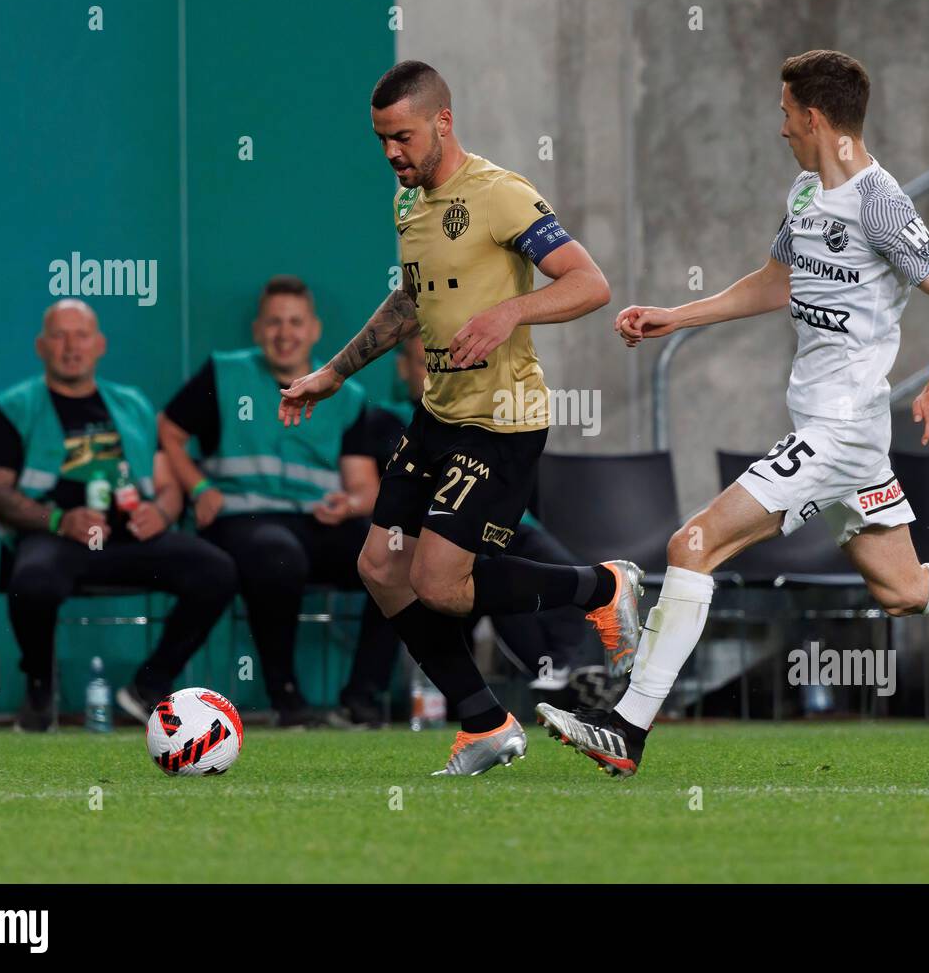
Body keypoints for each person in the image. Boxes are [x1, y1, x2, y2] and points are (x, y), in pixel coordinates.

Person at [536, 49, 929, 776]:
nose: (782, 127)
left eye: (786, 113)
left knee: (691, 544)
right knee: (904, 589)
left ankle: (627, 727)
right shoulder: (805, 193)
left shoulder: (879, 201)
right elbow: (774, 281)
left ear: (816, 117)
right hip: (835, 432)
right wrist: (678, 315)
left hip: (840, 430)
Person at [278, 60, 640, 774]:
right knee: (381, 567)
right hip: (439, 416)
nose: (391, 153)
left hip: (502, 420)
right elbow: (411, 302)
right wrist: (332, 373)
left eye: (403, 136)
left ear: (442, 121)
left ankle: (604, 586)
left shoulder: (502, 195)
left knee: (441, 583)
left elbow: (589, 283)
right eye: (381, 139)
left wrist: (511, 309)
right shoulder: (406, 203)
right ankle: (482, 722)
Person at [0, 299, 236, 731]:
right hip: (57, 537)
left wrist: (162, 511)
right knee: (32, 581)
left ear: (100, 345)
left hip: (129, 538)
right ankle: (41, 689)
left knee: (218, 570)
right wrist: (58, 520)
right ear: (41, 346)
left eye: (81, 335)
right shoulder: (14, 407)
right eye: (59, 336)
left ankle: (146, 689)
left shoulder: (132, 404)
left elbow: (168, 484)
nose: (71, 346)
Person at [330, 337, 594, 727]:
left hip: (508, 528)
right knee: (393, 567)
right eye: (426, 363)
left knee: (546, 564)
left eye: (447, 363)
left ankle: (565, 675)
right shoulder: (380, 421)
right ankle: (541, 681)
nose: (437, 372)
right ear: (403, 369)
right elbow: (367, 492)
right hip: (423, 532)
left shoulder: (492, 422)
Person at [159, 276, 386, 728]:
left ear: (315, 330)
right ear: (259, 329)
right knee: (278, 554)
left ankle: (361, 699)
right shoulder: (224, 372)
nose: (285, 333)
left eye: (295, 322)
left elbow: (365, 488)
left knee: (391, 557)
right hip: (243, 521)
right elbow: (169, 428)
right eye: (274, 323)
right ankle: (286, 698)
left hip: (317, 522)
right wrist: (199, 489)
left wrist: (349, 504)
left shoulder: (346, 392)